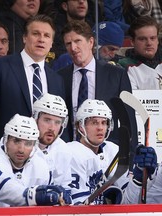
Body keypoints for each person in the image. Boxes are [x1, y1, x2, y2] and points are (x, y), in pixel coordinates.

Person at [57, 20, 138, 170]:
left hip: (108, 158)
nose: (73, 48)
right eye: (68, 44)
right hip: (70, 158)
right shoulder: (60, 77)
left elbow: (129, 123)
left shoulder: (116, 75)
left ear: (91, 42)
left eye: (77, 41)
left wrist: (129, 163)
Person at [0, 14, 66, 147]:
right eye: (36, 34)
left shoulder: (57, 80)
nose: (41, 39)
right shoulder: (0, 67)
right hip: (5, 152)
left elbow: (60, 120)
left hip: (44, 155)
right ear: (24, 37)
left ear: (52, 43)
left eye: (47, 36)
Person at [0, 114, 57, 207]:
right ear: (6, 140)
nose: (21, 149)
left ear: (34, 145)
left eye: (28, 143)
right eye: (16, 141)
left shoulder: (41, 167)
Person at [68, 99, 128, 204]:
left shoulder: (114, 151)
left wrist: (138, 182)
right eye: (94, 123)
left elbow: (129, 200)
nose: (100, 128)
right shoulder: (71, 153)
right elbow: (77, 206)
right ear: (80, 126)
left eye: (104, 123)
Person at [32, 93, 73, 191]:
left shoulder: (63, 150)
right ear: (35, 118)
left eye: (57, 122)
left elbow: (65, 186)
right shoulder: (19, 145)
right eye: (47, 120)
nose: (52, 128)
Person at [52, 21, 125, 71]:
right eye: (111, 49)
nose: (112, 55)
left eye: (116, 51)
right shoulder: (66, 60)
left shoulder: (115, 69)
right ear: (94, 43)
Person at [118, 16, 162, 90]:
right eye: (142, 39)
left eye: (152, 38)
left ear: (157, 40)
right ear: (132, 41)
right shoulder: (123, 67)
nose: (149, 43)